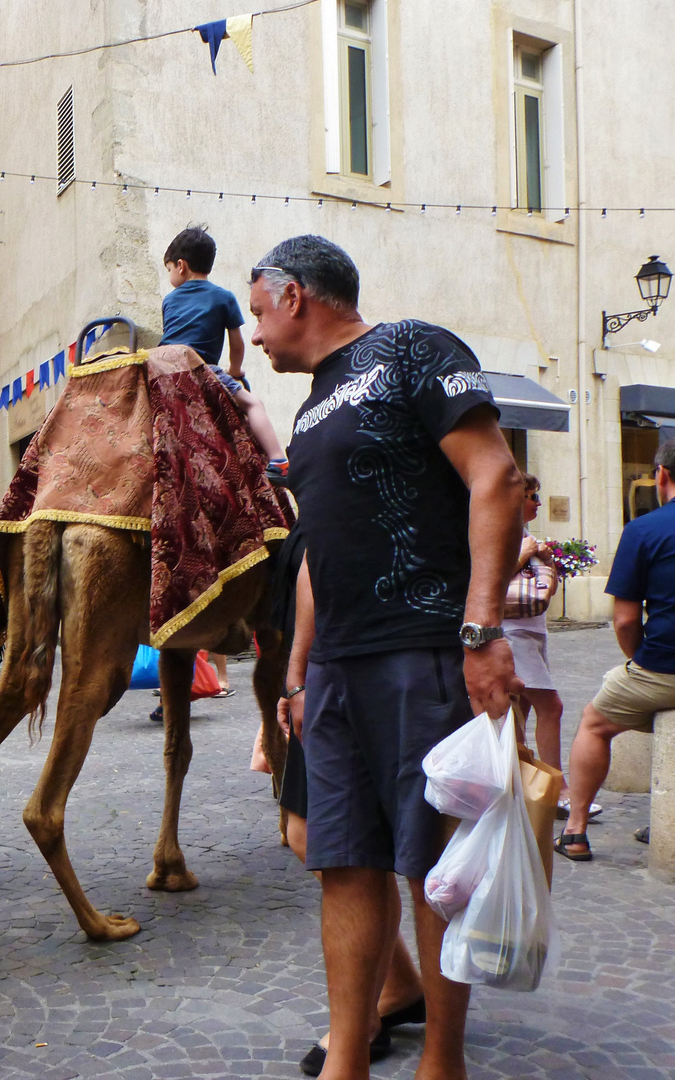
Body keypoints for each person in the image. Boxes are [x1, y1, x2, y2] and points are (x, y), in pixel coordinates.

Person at [252, 234, 524, 1080]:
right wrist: (297, 673)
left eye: (258, 312)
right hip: (335, 668)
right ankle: (350, 1062)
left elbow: (497, 477)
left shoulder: (412, 347)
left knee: (434, 869)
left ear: (295, 295)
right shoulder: (308, 410)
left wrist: (479, 631)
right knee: (342, 861)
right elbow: (316, 553)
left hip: (423, 651)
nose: (255, 334)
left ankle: (442, 1060)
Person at [274, 529, 426, 1076]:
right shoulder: (308, 494)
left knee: (353, 850)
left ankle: (363, 1019)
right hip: (317, 672)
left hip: (362, 662)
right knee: (305, 837)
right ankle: (400, 985)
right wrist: (292, 682)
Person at [558, 443, 675, 860]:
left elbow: (625, 620)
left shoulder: (643, 530)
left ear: (661, 475)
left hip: (662, 670)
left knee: (593, 723)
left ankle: (575, 831)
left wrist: (639, 658)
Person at [161, 225, 289, 483]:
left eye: (169, 270)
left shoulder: (169, 300)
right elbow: (237, 342)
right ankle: (279, 460)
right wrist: (235, 370)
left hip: (166, 369)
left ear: (181, 266)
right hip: (203, 368)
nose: (170, 276)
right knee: (253, 403)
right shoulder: (224, 297)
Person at [502, 472, 589, 817]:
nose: (538, 503)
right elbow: (481, 582)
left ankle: (525, 788)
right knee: (550, 707)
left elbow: (545, 591)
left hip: (531, 632)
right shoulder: (503, 534)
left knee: (518, 713)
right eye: (531, 496)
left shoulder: (524, 536)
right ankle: (559, 790)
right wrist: (523, 556)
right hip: (513, 633)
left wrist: (547, 562)